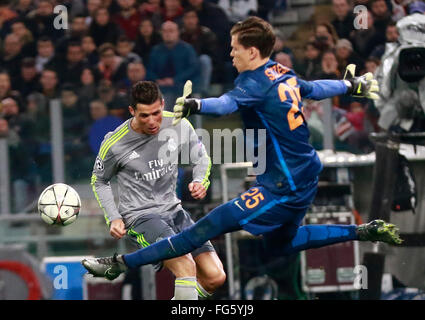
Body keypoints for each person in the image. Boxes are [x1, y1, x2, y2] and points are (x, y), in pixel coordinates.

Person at [82, 17, 401, 285]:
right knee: (285, 243)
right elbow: (315, 88)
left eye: (234, 48)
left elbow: (227, 104)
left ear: (251, 51)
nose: (230, 54)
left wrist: (197, 104)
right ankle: (363, 230)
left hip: (281, 187)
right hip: (305, 177)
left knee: (204, 228)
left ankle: (119, 263)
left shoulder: (254, 82)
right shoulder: (282, 72)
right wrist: (350, 86)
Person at [83, 81, 226, 300]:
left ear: (163, 105)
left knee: (215, 276)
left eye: (156, 113)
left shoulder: (179, 124)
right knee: (185, 266)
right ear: (132, 111)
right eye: (144, 116)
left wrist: (200, 181)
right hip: (141, 216)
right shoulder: (114, 143)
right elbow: (99, 180)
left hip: (175, 211)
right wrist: (114, 217)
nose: (152, 121)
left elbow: (202, 158)